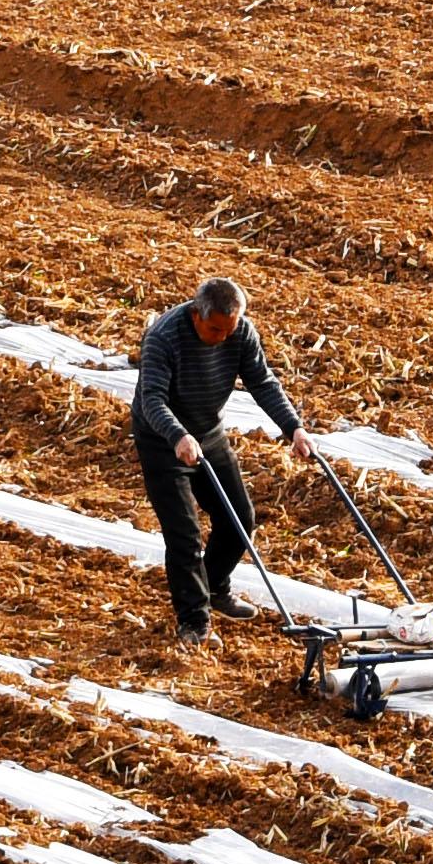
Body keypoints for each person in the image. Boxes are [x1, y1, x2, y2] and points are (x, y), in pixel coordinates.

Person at [132, 275, 320, 646]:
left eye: (229, 329)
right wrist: (177, 436)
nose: (223, 337)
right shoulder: (164, 338)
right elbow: (152, 398)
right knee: (184, 535)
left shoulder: (239, 332)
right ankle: (194, 622)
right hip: (163, 441)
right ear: (196, 315)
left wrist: (293, 428)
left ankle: (214, 586)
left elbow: (262, 381)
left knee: (239, 519)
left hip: (208, 434)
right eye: (216, 329)